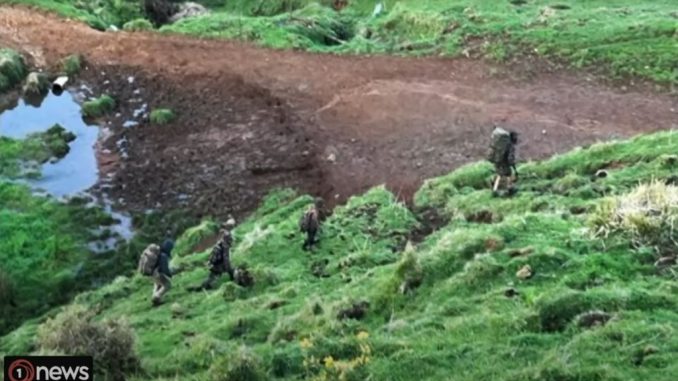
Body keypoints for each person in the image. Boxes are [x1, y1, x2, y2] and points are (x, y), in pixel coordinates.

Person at [189, 218, 236, 291]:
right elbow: (225, 255)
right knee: (226, 271)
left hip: (215, 259)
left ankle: (200, 287)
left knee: (213, 277)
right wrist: (227, 266)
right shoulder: (227, 237)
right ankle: (200, 288)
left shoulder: (223, 234)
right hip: (219, 260)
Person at [488, 126, 519, 197]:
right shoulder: (510, 146)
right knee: (508, 174)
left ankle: (495, 189)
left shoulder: (504, 144)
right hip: (503, 162)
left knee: (500, 174)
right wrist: (513, 165)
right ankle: (509, 188)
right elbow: (510, 158)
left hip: (498, 159)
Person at [151, 239, 174, 306]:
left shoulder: (158, 253)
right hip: (157, 273)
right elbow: (165, 270)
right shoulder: (163, 256)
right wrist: (170, 274)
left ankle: (154, 296)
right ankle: (156, 297)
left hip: (151, 272)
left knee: (158, 284)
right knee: (167, 285)